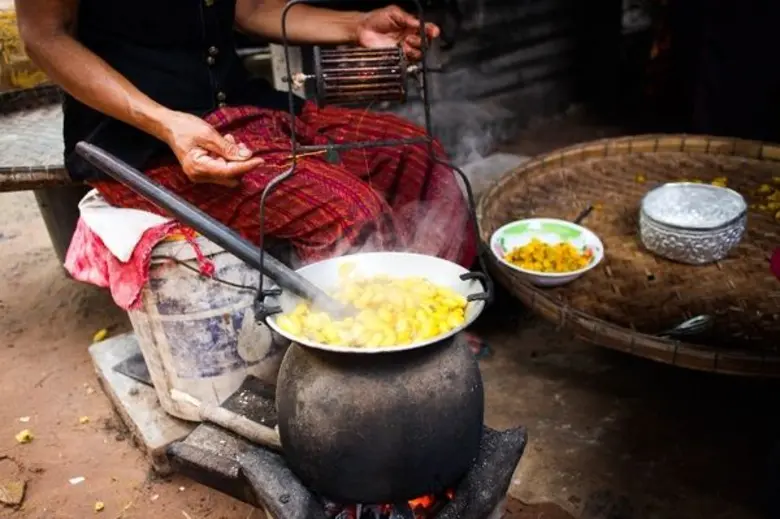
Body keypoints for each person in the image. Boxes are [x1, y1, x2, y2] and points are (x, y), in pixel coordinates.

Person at [15, 0, 476, 268]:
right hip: (145, 139)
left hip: (244, 106)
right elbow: (43, 36)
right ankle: (361, 363)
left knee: (415, 155)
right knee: (348, 212)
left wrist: (354, 26)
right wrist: (164, 121)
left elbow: (248, 6)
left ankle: (434, 320)